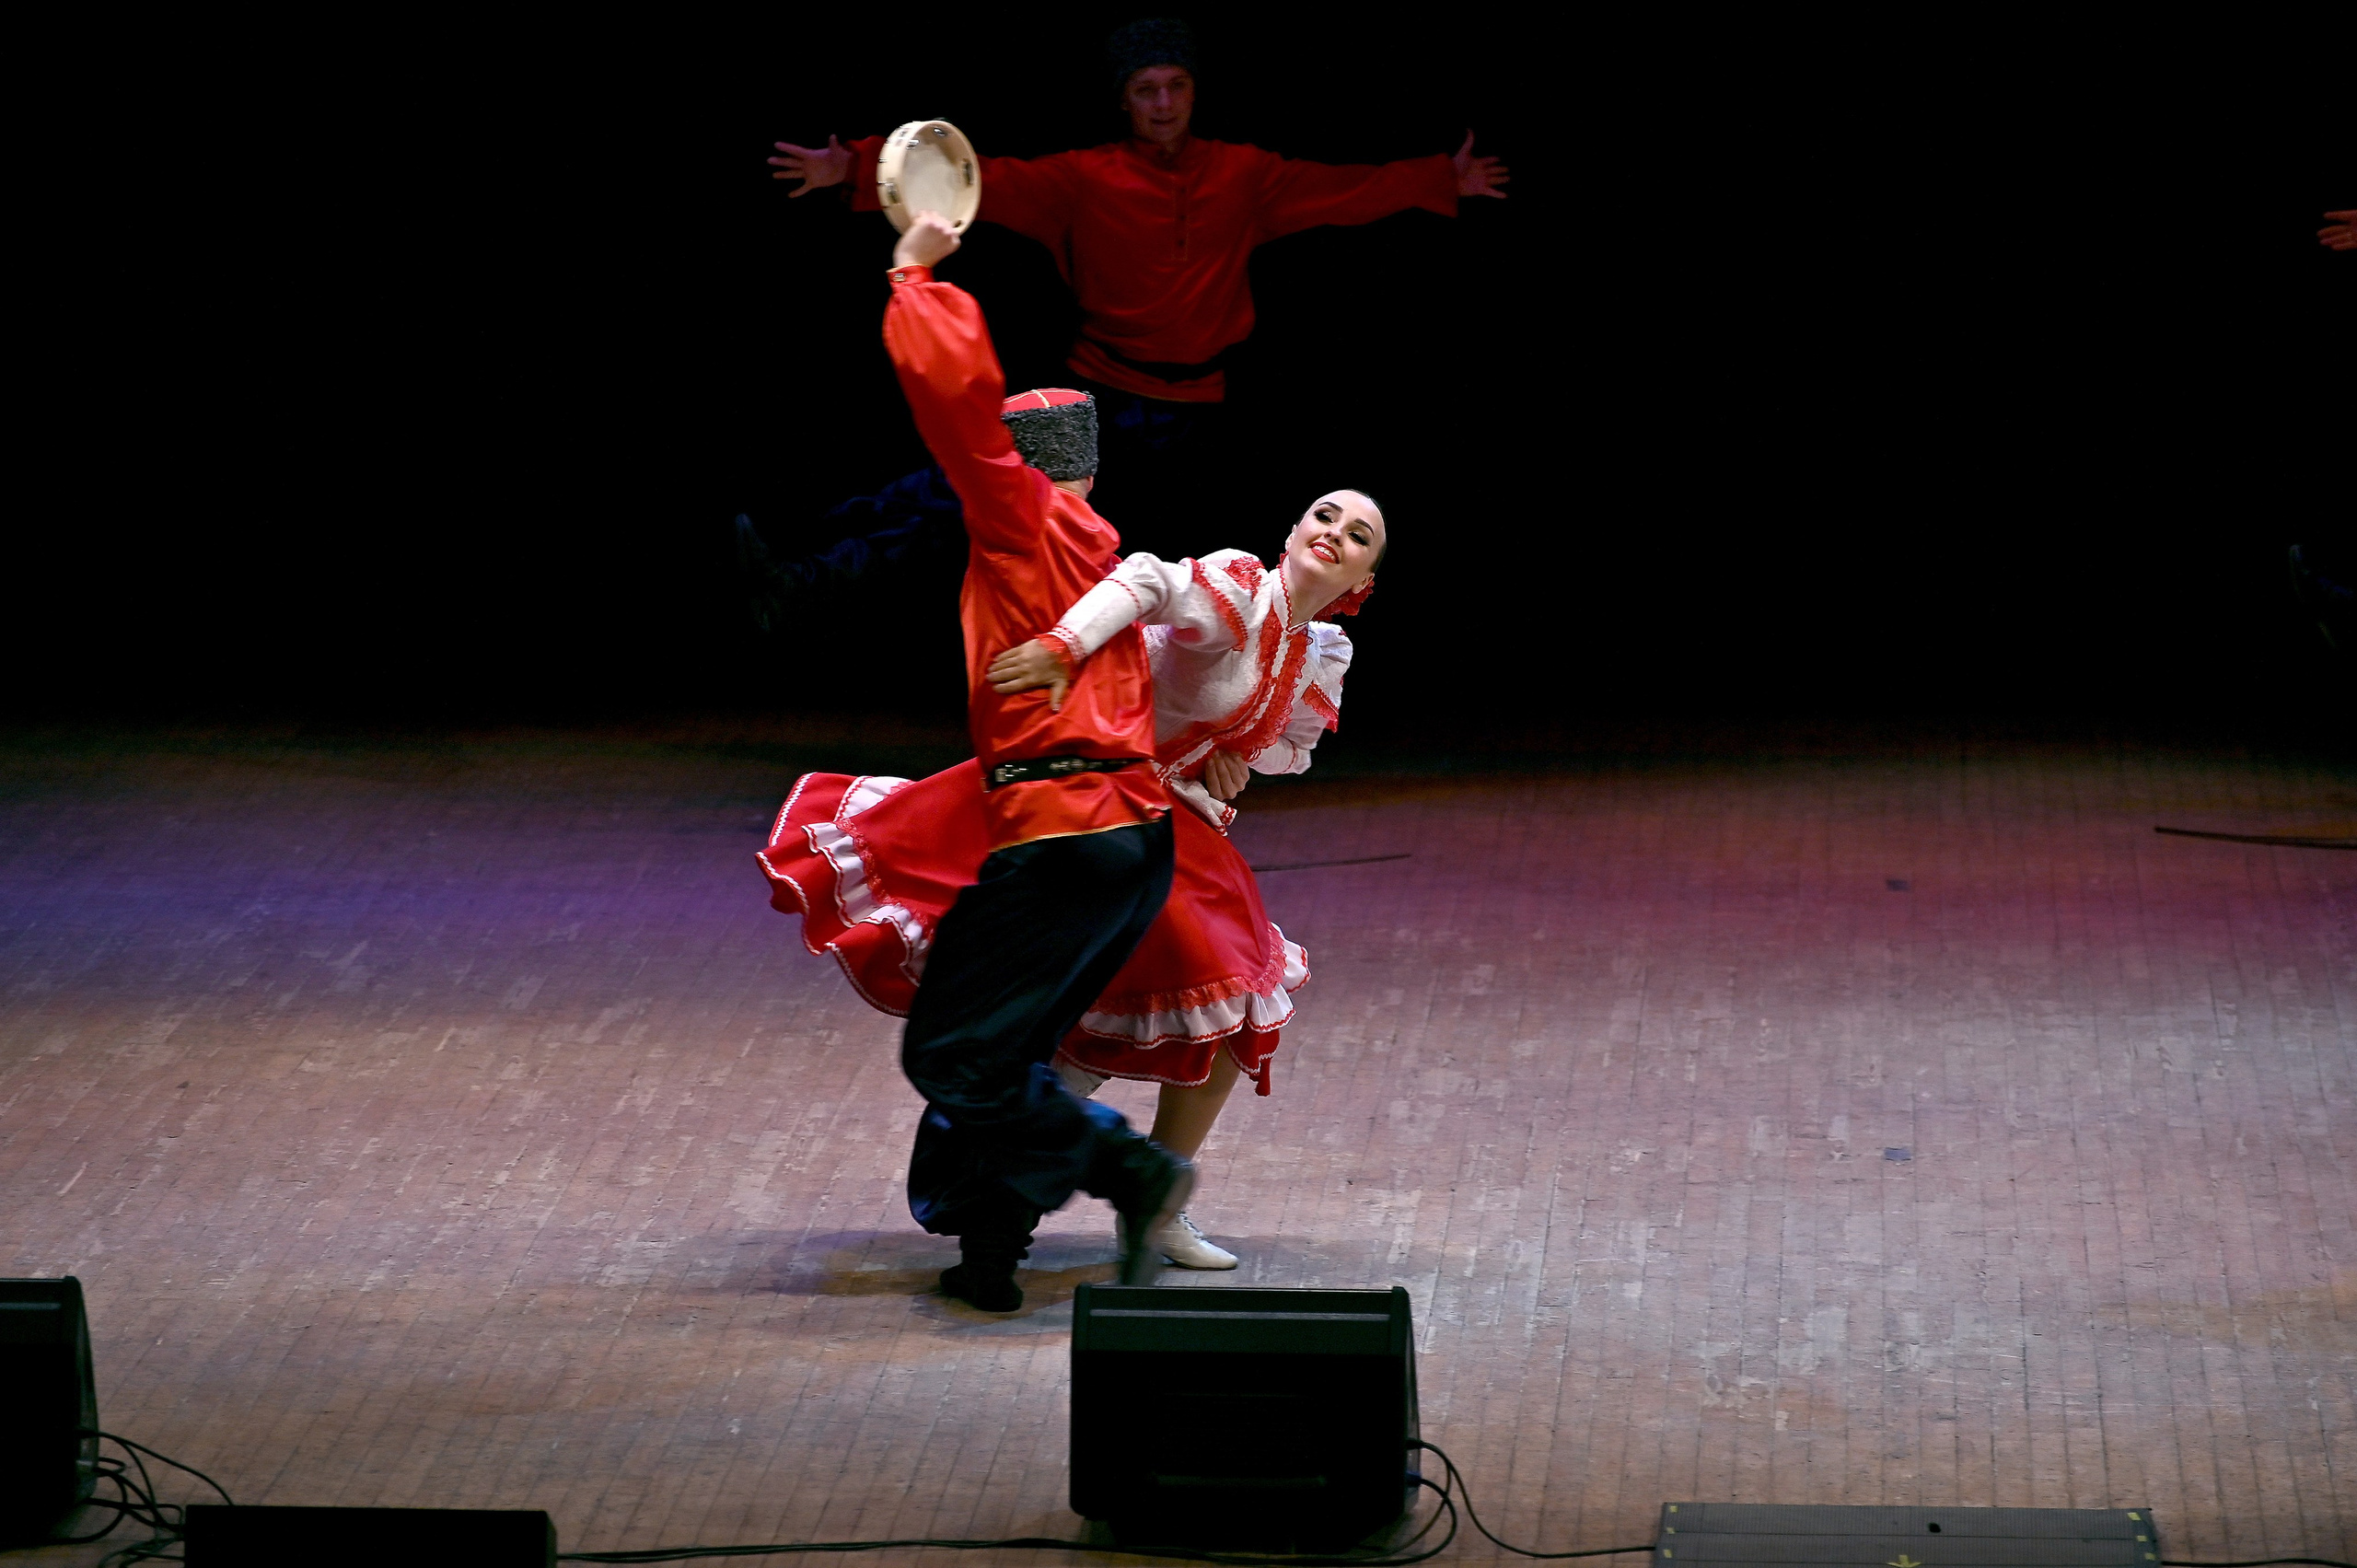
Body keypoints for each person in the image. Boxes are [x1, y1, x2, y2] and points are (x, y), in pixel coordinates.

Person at [761, 489, 1383, 1271]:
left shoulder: (1320, 648)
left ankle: (1142, 1204)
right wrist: (1063, 643)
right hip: (1099, 800)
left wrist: (1240, 764)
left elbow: (1292, 747)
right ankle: (1014, 1196)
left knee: (1236, 1001)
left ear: (1364, 578)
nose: (1335, 533)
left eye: (1358, 535)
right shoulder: (1237, 590)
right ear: (1293, 527)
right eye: (1324, 515)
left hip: (1172, 824)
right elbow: (1147, 579)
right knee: (1071, 1011)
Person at [806, 208, 1193, 1314]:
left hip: (1066, 838)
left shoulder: (1023, 524)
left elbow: (961, 415)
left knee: (958, 1058)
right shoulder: (1106, 546)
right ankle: (989, 1254)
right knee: (1009, 1046)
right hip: (1127, 841)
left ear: (1025, 469)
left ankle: (1133, 1167)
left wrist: (916, 275)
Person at [749, 17, 1500, 578]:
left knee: (1159, 577)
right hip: (1101, 395)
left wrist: (1443, 179)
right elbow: (981, 174)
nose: (1164, 102)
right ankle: (807, 561)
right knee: (973, 487)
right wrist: (847, 167)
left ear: (1195, 93)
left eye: (1177, 86)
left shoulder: (1244, 174)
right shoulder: (1083, 178)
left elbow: (1346, 191)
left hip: (1199, 413)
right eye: (1147, 90)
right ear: (1125, 102)